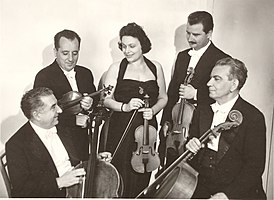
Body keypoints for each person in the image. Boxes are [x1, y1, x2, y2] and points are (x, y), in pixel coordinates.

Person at [102, 22, 168, 197]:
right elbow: (105, 100)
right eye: (123, 46)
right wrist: (125, 106)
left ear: (143, 45)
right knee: (119, 179)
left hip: (147, 135)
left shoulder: (156, 67)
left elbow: (163, 98)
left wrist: (153, 110)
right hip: (121, 131)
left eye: (132, 46)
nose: (127, 51)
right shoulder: (116, 68)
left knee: (141, 178)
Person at [185, 57, 266, 199]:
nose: (209, 83)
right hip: (203, 187)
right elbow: (194, 148)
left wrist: (227, 195)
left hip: (236, 192)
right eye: (211, 78)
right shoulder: (202, 110)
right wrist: (191, 144)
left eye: (217, 79)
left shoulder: (253, 117)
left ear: (233, 84)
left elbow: (254, 167)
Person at [159, 11, 230, 166]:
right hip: (177, 127)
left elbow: (225, 95)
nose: (190, 39)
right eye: (188, 33)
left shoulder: (222, 59)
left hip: (202, 128)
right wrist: (166, 121)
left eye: (196, 35)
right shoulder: (182, 56)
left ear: (209, 33)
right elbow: (172, 91)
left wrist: (197, 94)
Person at [6, 87, 86, 197]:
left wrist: (94, 158)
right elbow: (22, 190)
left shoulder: (61, 125)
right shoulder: (16, 145)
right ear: (37, 115)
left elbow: (75, 157)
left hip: (79, 186)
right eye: (53, 107)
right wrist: (60, 182)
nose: (60, 110)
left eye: (57, 104)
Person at [34, 29, 96, 161]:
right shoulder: (43, 77)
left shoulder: (86, 74)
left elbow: (95, 103)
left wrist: (90, 105)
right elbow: (42, 115)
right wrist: (74, 121)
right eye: (65, 53)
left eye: (75, 53)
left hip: (82, 142)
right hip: (58, 142)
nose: (70, 59)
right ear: (55, 52)